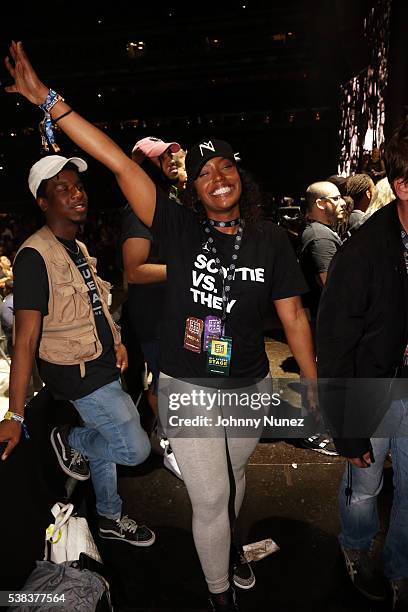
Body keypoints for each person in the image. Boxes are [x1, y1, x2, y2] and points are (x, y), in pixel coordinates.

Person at [4, 41, 316, 612]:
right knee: (212, 492)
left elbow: (294, 315)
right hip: (188, 382)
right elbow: (118, 161)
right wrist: (50, 102)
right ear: (191, 190)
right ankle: (219, 591)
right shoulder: (176, 228)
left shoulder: (271, 239)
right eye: (202, 173)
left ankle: (228, 550)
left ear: (239, 175)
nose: (215, 177)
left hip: (249, 383)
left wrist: (316, 390)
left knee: (236, 476)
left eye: (224, 166)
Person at [0, 152, 154, 548]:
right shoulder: (35, 256)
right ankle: (71, 440)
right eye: (62, 189)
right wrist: (16, 413)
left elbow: (97, 304)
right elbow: (25, 340)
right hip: (80, 375)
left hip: (100, 362)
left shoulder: (78, 248)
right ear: (43, 202)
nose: (76, 194)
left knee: (109, 444)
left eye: (79, 186)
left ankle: (108, 516)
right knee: (135, 450)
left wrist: (116, 341)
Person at [317, 119, 408, 610]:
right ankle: (354, 549)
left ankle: (401, 568)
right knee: (364, 488)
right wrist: (345, 429)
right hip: (371, 393)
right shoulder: (362, 252)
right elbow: (333, 348)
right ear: (403, 186)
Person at [121, 136, 183, 478]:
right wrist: (189, 268)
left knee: (174, 378)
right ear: (145, 167)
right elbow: (134, 269)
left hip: (174, 311)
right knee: (166, 380)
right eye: (162, 157)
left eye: (174, 152)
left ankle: (167, 431)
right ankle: (171, 442)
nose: (172, 159)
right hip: (155, 317)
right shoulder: (137, 208)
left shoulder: (168, 200)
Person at [297, 181, 345, 456]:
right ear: (320, 203)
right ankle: (313, 433)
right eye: (335, 198)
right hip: (320, 319)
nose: (341, 203)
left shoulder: (320, 233)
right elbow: (332, 286)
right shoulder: (320, 238)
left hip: (317, 318)